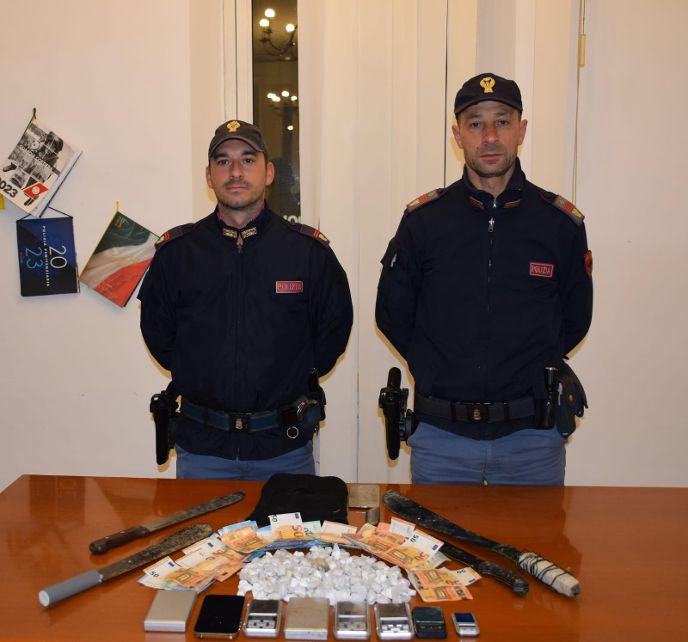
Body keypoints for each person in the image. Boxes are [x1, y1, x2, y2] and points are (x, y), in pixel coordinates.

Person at [376, 73, 593, 485]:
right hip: (442, 437)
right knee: (437, 532)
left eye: (502, 122)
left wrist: (525, 370)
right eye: (475, 123)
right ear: (457, 135)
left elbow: (575, 319)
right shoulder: (424, 222)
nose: (490, 136)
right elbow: (392, 314)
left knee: (536, 532)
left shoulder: (558, 224)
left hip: (531, 439)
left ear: (521, 130)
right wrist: (437, 370)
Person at [139, 119, 353, 479]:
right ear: (208, 176)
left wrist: (288, 378)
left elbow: (332, 335)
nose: (236, 171)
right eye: (223, 161)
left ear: (268, 173)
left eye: (248, 160)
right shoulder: (177, 254)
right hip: (203, 450)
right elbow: (159, 337)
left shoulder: (307, 253)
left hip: (284, 448)